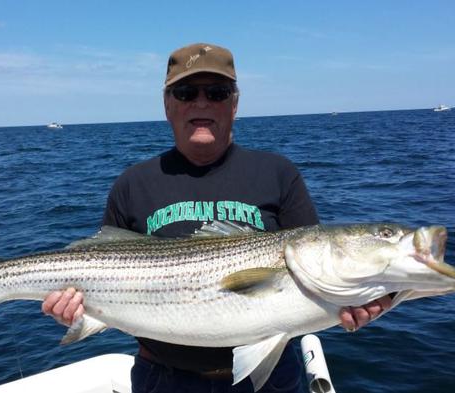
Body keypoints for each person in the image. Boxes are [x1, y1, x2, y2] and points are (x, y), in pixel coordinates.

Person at [42, 43, 391, 393]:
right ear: (167, 104)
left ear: (235, 104)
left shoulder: (279, 174)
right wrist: (73, 309)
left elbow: (317, 273)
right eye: (186, 91)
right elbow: (98, 272)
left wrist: (352, 304)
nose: (202, 102)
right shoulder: (132, 183)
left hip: (269, 376)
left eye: (218, 92)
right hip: (162, 378)